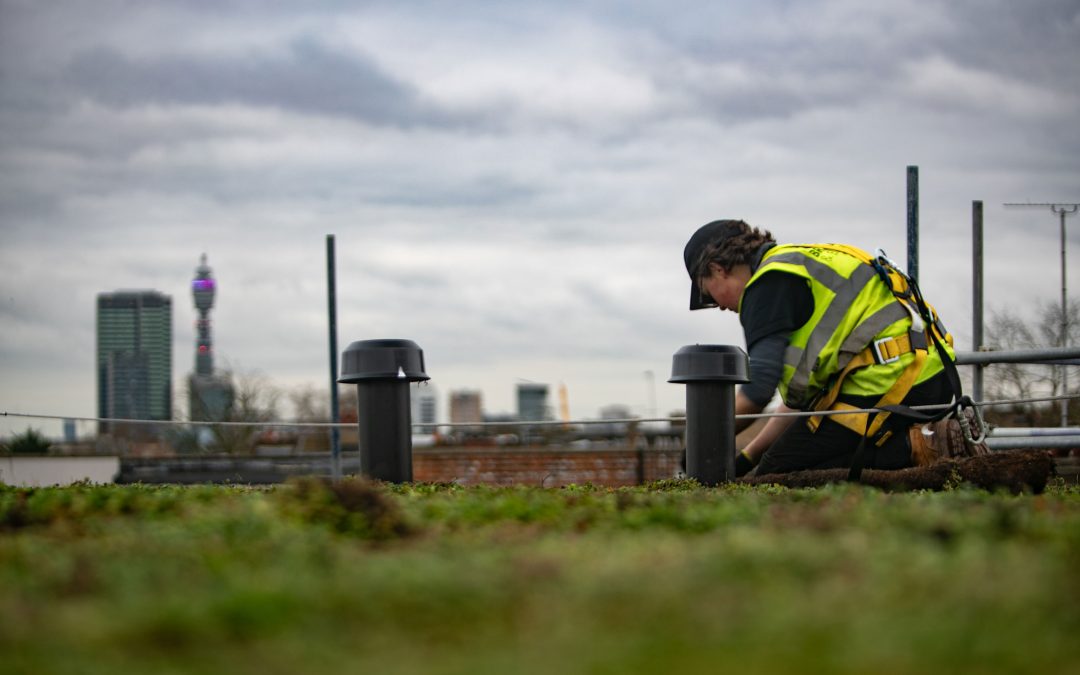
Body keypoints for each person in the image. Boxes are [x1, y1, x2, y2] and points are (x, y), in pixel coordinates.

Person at [683, 219, 958, 476]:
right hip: (926, 371)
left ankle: (919, 447)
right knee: (777, 464)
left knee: (781, 474)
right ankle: (922, 443)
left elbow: (758, 389)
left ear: (718, 268)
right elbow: (802, 405)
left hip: (895, 378)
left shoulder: (766, 286)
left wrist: (701, 442)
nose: (718, 305)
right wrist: (748, 457)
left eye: (708, 293)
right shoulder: (795, 264)